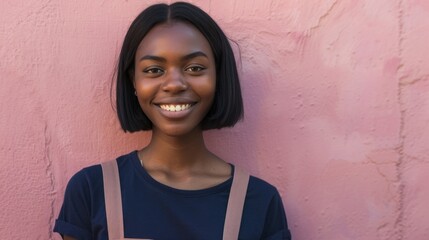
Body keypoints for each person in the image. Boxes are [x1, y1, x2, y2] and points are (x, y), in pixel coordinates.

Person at [54, 2, 292, 239]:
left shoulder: (259, 202)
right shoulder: (92, 191)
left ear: (218, 76)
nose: (175, 84)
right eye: (154, 70)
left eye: (195, 68)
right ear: (133, 81)